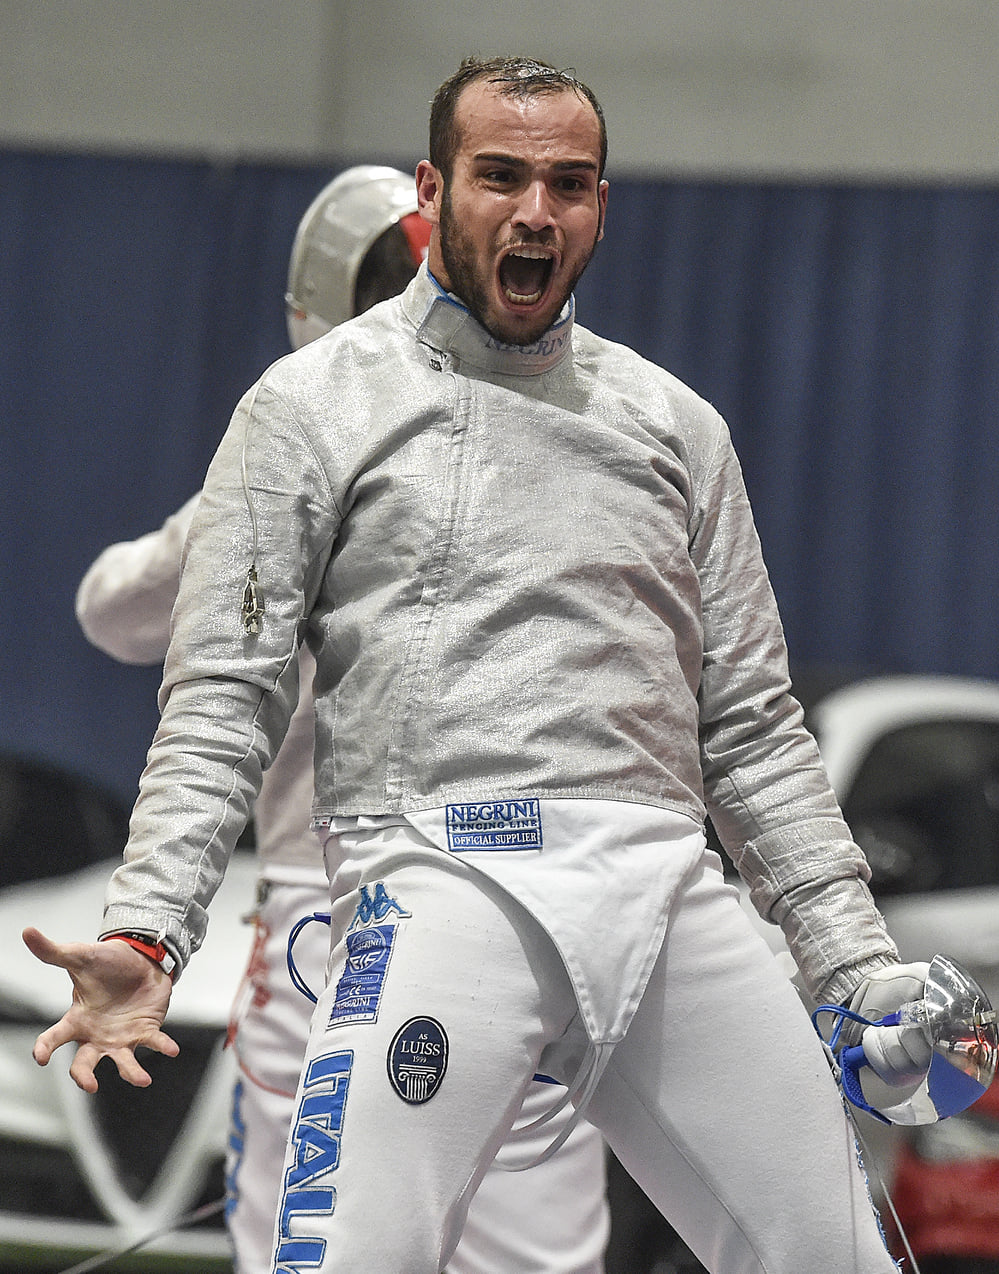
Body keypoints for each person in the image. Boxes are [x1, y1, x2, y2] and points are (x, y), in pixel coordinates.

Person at [28, 56, 918, 1273]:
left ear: (602, 205)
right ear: (432, 194)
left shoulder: (675, 426)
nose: (534, 212)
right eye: (500, 177)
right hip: (443, 879)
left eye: (568, 183)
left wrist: (854, 961)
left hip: (664, 893)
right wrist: (147, 929)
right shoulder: (307, 408)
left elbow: (755, 728)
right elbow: (223, 697)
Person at [73, 164, 611, 1274]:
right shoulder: (588, 438)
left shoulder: (300, 454)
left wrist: (231, 505)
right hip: (533, 912)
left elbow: (115, 608)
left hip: (347, 916)